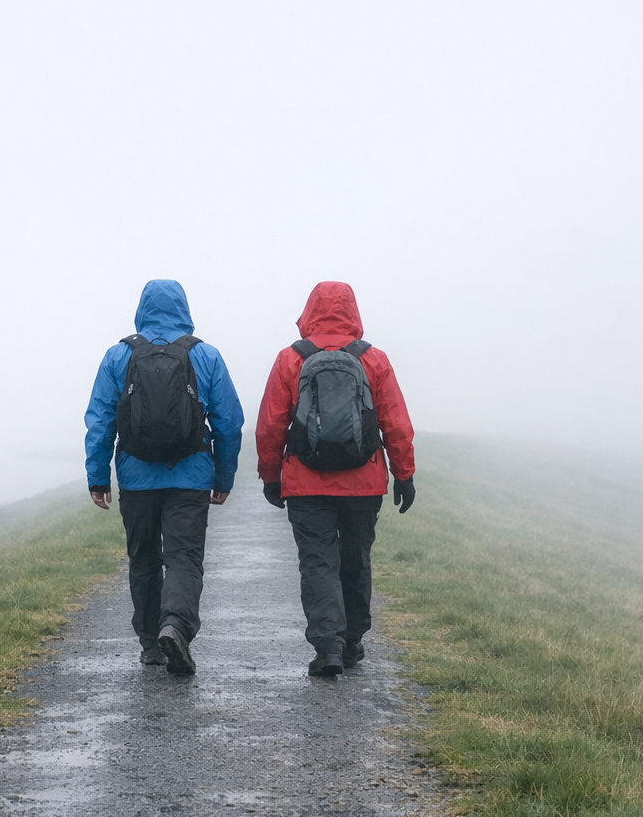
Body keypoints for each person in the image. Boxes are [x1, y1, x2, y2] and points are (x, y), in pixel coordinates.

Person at [255, 281, 415, 677]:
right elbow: (395, 422)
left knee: (317, 564)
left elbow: (271, 426)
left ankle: (328, 646)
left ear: (309, 311)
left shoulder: (290, 359)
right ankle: (353, 641)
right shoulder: (373, 359)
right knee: (356, 560)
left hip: (306, 483)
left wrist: (270, 476)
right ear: (353, 311)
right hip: (364, 482)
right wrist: (404, 474)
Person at [85, 279, 244, 676]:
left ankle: (150, 646)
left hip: (137, 478)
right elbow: (229, 423)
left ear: (142, 308)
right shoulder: (205, 355)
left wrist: (98, 476)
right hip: (189, 477)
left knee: (143, 559)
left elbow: (101, 420)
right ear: (184, 309)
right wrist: (223, 476)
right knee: (184, 558)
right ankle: (175, 626)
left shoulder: (118, 356)